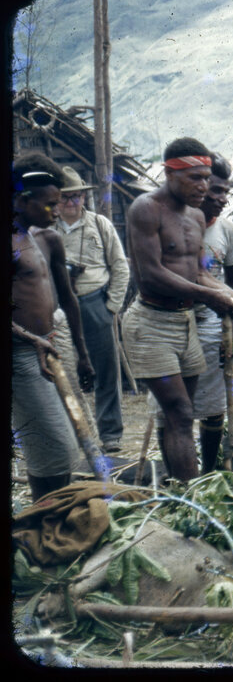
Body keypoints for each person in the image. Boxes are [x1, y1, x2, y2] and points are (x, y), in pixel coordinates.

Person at [122, 138, 233, 482]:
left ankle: (179, 489)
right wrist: (208, 297)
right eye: (195, 178)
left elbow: (200, 273)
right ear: (169, 174)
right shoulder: (146, 208)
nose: (203, 186)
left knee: (180, 416)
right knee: (179, 410)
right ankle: (191, 498)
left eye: (206, 177)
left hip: (184, 323)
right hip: (151, 325)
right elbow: (151, 273)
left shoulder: (194, 216)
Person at [11, 154, 96, 501]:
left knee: (62, 442)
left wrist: (83, 355)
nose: (57, 211)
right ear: (22, 200)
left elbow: (69, 299)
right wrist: (31, 340)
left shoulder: (46, 239)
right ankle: (47, 516)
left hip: (51, 347)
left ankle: (47, 515)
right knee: (55, 445)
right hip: (21, 354)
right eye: (50, 205)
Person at [54, 166, 130, 454]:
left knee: (106, 370)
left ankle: (110, 435)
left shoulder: (99, 224)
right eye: (65, 199)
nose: (72, 204)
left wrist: (111, 306)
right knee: (64, 370)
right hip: (60, 309)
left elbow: (120, 266)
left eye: (77, 197)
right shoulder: (47, 228)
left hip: (94, 301)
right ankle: (74, 435)